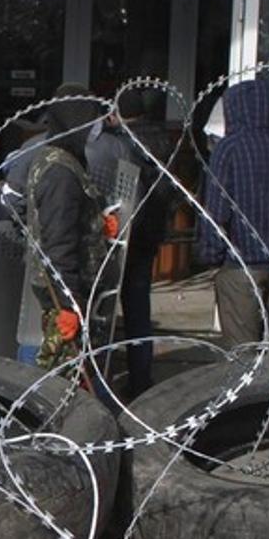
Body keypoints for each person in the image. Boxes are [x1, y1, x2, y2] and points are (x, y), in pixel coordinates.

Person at [85, 89, 175, 396]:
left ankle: (99, 379)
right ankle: (141, 379)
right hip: (147, 234)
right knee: (138, 311)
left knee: (103, 312)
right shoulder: (162, 140)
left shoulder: (118, 145)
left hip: (120, 236)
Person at [24, 84, 115, 373]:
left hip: (64, 282)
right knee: (63, 373)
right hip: (63, 286)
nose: (93, 128)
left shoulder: (62, 156)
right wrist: (67, 304)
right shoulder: (60, 171)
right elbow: (59, 239)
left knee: (71, 367)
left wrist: (99, 223)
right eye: (89, 120)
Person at [197, 80, 269, 348]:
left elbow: (216, 211)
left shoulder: (229, 148)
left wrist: (210, 255)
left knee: (243, 359)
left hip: (241, 265)